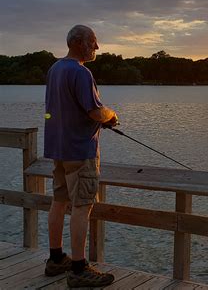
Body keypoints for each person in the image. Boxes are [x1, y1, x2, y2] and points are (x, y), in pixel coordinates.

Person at [43, 25, 118, 288]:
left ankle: (55, 259)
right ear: (78, 43)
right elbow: (95, 112)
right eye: (93, 42)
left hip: (58, 149)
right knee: (82, 206)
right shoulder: (81, 72)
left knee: (59, 200)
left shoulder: (55, 70)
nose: (96, 47)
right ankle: (77, 268)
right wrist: (112, 116)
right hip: (80, 151)